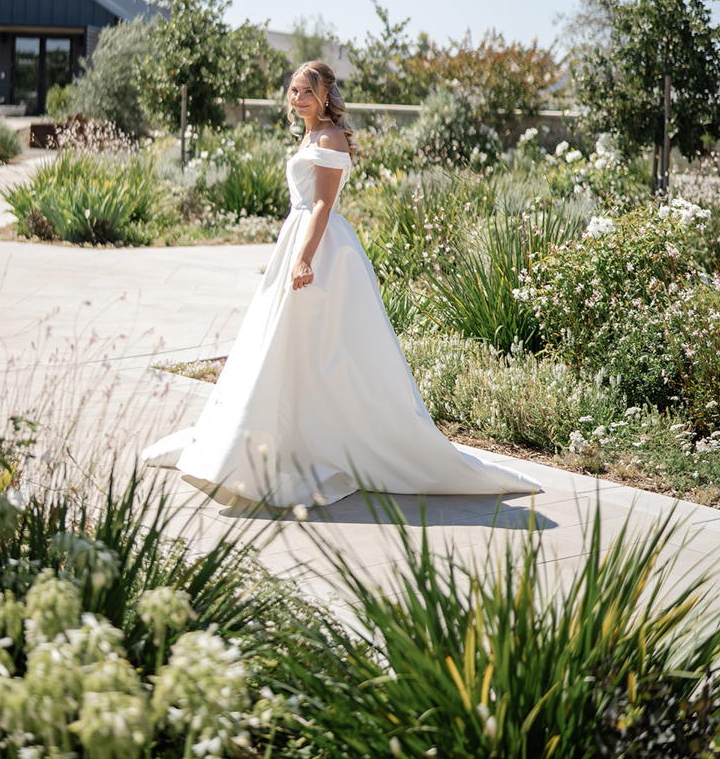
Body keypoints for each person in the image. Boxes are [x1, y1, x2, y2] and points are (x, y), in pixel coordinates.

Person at [142, 61, 541, 507]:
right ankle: (275, 431)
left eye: (306, 92)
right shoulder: (310, 135)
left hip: (321, 250)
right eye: (293, 91)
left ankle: (314, 439)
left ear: (326, 96)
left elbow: (322, 207)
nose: (297, 100)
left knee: (319, 344)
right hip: (298, 239)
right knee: (284, 344)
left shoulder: (329, 137)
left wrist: (304, 258)